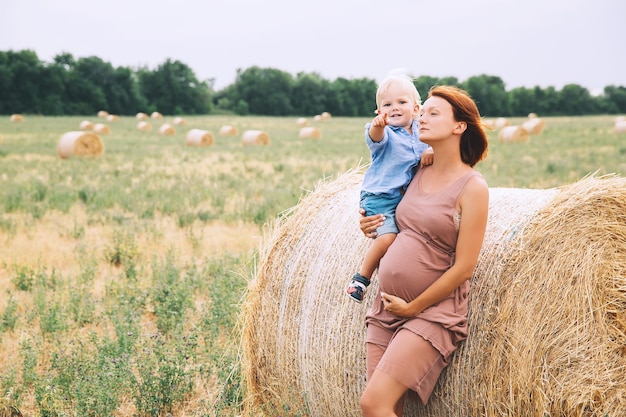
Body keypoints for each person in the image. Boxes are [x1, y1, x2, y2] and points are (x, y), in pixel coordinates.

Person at [357, 85, 489, 417]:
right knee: (387, 407)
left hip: (431, 313)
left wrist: (412, 307)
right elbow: (384, 201)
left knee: (372, 404)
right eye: (423, 110)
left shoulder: (473, 187)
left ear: (459, 126)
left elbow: (464, 268)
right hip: (387, 308)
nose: (422, 117)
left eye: (433, 113)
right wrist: (367, 221)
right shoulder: (417, 169)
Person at [346, 74, 433, 303]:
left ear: (416, 108)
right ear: (379, 111)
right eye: (387, 105)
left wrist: (432, 151)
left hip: (405, 198)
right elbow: (375, 138)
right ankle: (361, 279)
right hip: (380, 197)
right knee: (387, 238)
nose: (394, 108)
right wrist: (378, 127)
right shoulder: (386, 133)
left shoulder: (422, 132)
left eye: (401, 102)